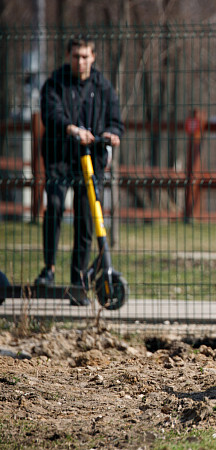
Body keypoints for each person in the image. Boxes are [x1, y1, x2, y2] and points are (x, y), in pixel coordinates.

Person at [34, 38, 124, 306]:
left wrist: (113, 133)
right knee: (56, 206)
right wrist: (71, 129)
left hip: (90, 161)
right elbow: (51, 113)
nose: (80, 61)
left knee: (86, 217)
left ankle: (79, 281)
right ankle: (48, 269)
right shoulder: (55, 82)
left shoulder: (103, 86)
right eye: (76, 56)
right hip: (60, 158)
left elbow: (116, 120)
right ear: (68, 55)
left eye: (85, 56)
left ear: (93, 57)